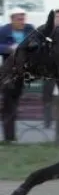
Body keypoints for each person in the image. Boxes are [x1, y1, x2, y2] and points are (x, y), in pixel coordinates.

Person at [0, 8, 35, 143]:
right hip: (8, 72)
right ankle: (10, 138)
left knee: (15, 102)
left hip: (23, 72)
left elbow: (36, 43)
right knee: (9, 103)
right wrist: (9, 48)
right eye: (19, 19)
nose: (22, 21)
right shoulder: (4, 30)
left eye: (23, 18)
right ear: (12, 19)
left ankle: (11, 136)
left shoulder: (29, 29)